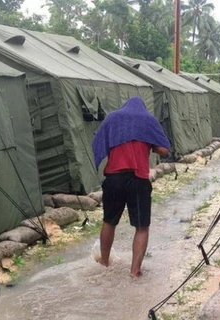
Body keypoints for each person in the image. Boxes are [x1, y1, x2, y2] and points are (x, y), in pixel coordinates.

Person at [91, 96, 170, 278]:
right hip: (138, 180)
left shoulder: (112, 118)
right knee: (141, 227)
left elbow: (98, 142)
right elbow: (164, 150)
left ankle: (104, 263)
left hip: (114, 178)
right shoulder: (148, 121)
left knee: (109, 222)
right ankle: (135, 272)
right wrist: (149, 143)